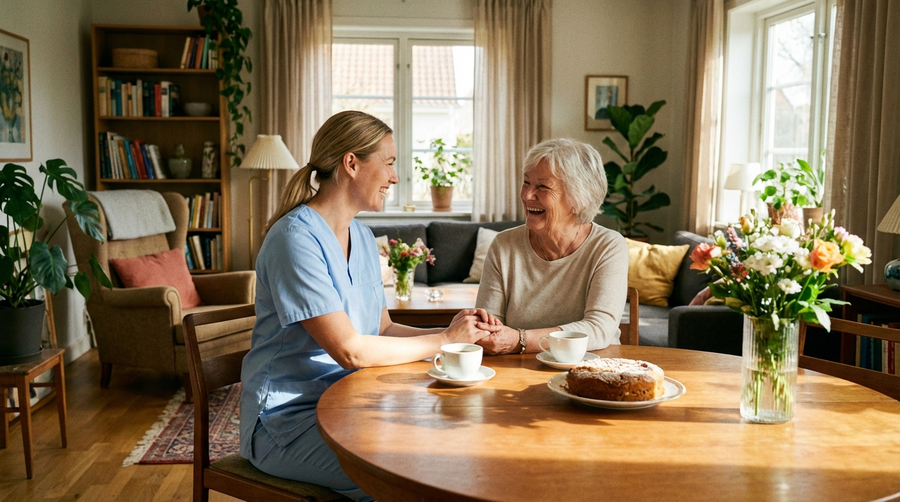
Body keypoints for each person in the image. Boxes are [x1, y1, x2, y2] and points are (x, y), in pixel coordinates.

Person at [240, 110, 499, 501]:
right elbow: (350, 350)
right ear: (351, 163)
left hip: (349, 407)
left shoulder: (361, 237)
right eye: (390, 163)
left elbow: (383, 329)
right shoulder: (294, 240)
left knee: (449, 445)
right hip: (285, 423)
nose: (395, 177)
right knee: (408, 477)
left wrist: (461, 336)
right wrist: (445, 340)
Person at [475, 138, 629, 355]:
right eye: (526, 182)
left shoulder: (608, 246)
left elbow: (598, 329)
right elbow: (488, 328)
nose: (527, 195)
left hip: (593, 368)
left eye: (543, 187)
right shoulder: (504, 245)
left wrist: (520, 340)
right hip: (517, 369)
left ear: (579, 199)